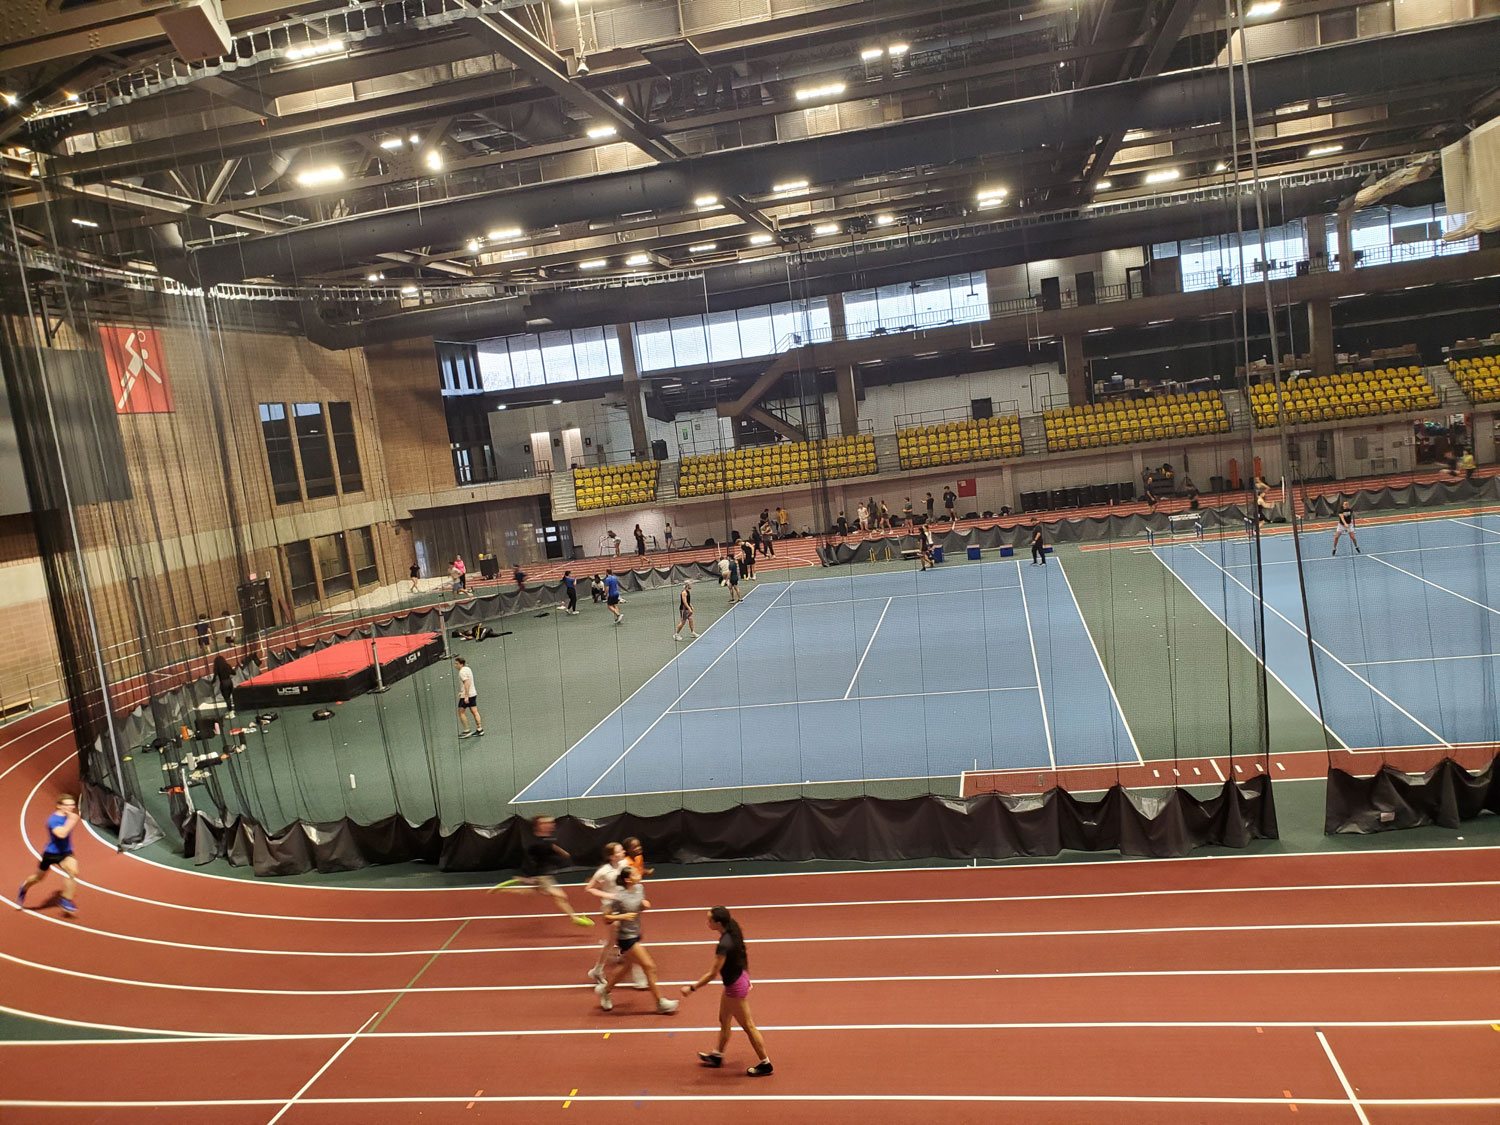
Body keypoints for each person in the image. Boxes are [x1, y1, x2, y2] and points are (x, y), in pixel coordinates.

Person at [680, 905, 772, 1076]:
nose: (707, 923)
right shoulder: (733, 927)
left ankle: (765, 1063)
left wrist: (692, 988)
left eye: (709, 920)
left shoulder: (724, 944)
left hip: (735, 987)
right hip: (737, 979)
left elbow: (712, 973)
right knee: (724, 1019)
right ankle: (717, 1055)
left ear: (718, 923)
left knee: (749, 1026)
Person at [595, 865, 678, 1013]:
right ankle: (660, 1003)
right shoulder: (619, 897)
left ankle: (605, 991)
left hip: (636, 932)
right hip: (626, 937)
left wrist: (643, 905)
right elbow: (606, 918)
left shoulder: (640, 888)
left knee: (626, 967)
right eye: (634, 873)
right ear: (627, 879)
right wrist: (622, 916)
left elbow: (638, 905)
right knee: (650, 966)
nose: (638, 874)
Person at [491, 816, 595, 928]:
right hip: (541, 876)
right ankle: (574, 918)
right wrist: (531, 877)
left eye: (551, 822)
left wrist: (560, 851)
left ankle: (505, 889)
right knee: (560, 896)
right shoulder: (535, 844)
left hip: (545, 874)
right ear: (539, 826)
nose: (551, 825)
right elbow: (532, 862)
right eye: (547, 823)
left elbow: (550, 846)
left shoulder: (547, 840)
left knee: (532, 893)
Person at [17, 794, 81, 915]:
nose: (70, 808)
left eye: (72, 805)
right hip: (51, 854)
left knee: (73, 871)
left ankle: (66, 900)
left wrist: (71, 819)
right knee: (38, 878)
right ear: (59, 806)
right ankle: (24, 887)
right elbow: (61, 834)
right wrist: (71, 821)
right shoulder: (53, 820)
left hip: (66, 852)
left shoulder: (70, 816)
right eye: (67, 805)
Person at [585, 842, 631, 984]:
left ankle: (621, 955)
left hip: (623, 905)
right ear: (611, 856)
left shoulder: (624, 864)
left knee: (626, 935)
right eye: (619, 851)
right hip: (610, 908)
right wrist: (607, 895)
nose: (623, 851)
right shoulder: (603, 871)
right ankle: (597, 970)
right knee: (612, 940)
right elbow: (589, 888)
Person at [454, 656, 484, 738]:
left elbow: (467, 683)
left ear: (461, 664)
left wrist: (466, 696)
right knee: (475, 711)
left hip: (466, 696)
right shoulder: (468, 669)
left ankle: (466, 730)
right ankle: (480, 729)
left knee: (461, 712)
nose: (455, 666)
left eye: (456, 664)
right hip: (473, 693)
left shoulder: (461, 672)